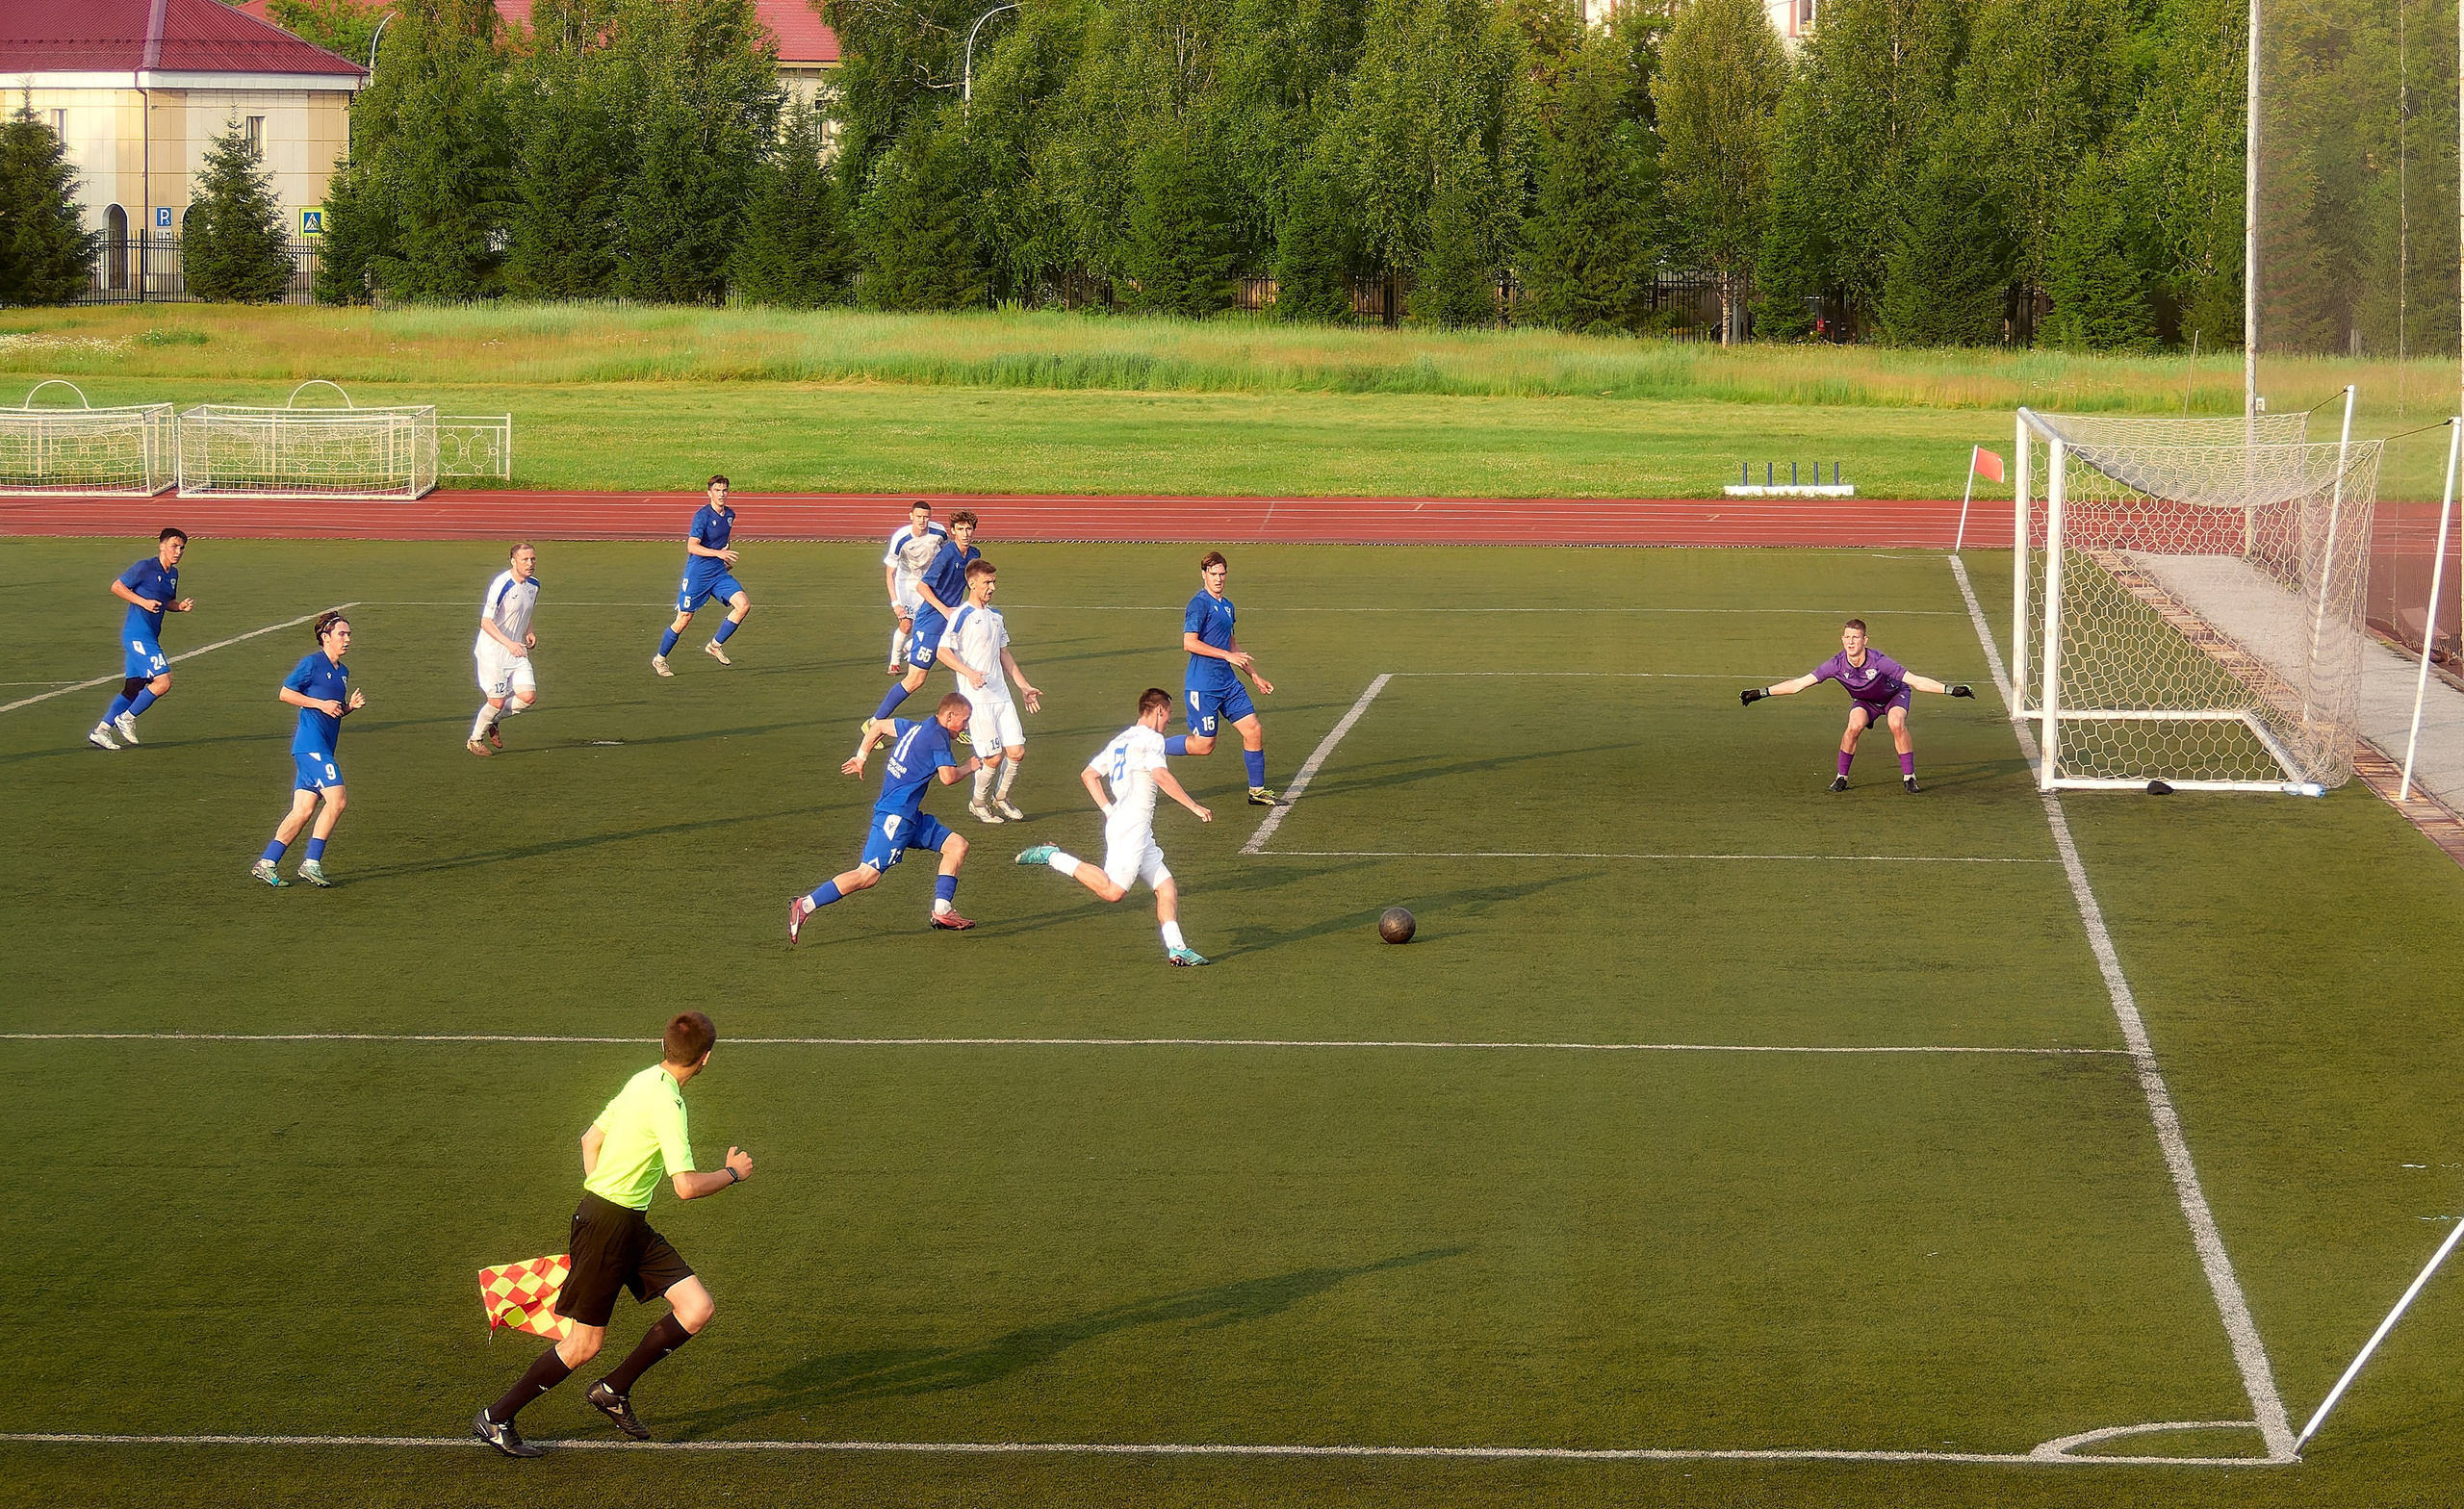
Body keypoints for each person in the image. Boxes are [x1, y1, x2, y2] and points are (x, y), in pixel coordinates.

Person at [473, 1010, 754, 1458]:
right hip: (607, 1226)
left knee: (696, 1307)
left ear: (664, 1046)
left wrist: (601, 1192)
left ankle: (612, 1390)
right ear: (706, 1057)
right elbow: (685, 1187)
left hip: (626, 1223)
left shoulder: (641, 1079)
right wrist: (732, 1173)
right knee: (583, 1344)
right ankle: (496, 1417)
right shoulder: (669, 1104)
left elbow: (590, 1139)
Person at [1015, 687, 1214, 966]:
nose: (1170, 719)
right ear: (1159, 710)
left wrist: (1109, 811)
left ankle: (1177, 948)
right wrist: (1193, 806)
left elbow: (1089, 774)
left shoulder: (1120, 740)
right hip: (1131, 825)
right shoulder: (1152, 739)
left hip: (1133, 825)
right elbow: (1160, 775)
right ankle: (1053, 856)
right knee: (1113, 891)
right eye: (1169, 713)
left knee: (1166, 886)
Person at [791, 693, 985, 942]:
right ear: (949, 716)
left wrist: (861, 757)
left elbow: (878, 726)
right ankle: (805, 905)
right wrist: (970, 767)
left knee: (957, 846)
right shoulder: (937, 738)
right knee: (867, 875)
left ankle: (942, 910)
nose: (966, 726)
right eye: (964, 720)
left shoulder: (915, 727)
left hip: (910, 817)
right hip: (895, 818)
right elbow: (947, 778)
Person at [1740, 618, 1974, 792]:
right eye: (1847, 637)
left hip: (1894, 696)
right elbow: (1798, 684)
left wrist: (1950, 690)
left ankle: (1909, 777)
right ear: (1842, 640)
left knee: (1895, 723)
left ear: (1864, 640)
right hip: (1865, 701)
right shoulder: (1836, 664)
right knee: (1853, 727)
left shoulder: (1879, 661)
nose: (1851, 642)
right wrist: (1761, 693)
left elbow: (1915, 681)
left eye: (1855, 638)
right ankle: (1841, 777)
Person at [252, 610, 365, 887]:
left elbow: (332, 711)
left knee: (302, 811)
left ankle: (267, 862)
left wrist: (348, 707)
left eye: (349, 634)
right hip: (311, 746)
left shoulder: (343, 672)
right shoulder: (312, 663)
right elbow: (285, 693)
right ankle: (312, 862)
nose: (347, 639)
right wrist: (320, 704)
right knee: (337, 800)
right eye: (342, 634)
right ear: (326, 637)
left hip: (319, 747)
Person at [937, 557, 1041, 824]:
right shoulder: (961, 616)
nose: (992, 587)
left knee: (1016, 752)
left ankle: (1001, 797)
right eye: (986, 582)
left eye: (993, 582)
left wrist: (1023, 686)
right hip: (977, 701)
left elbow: (1004, 654)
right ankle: (979, 803)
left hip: (1001, 696)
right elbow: (942, 652)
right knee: (993, 758)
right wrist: (969, 672)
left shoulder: (996, 616)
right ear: (972, 583)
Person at [1171, 550, 1275, 806]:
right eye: (1213, 574)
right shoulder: (1198, 605)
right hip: (1203, 686)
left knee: (1253, 730)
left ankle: (1257, 791)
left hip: (1228, 685)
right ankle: (1148, 746)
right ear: (1204, 575)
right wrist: (1226, 655)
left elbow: (1233, 646)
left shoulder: (1228, 606)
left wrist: (1254, 676)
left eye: (1222, 574)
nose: (1218, 579)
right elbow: (1189, 643)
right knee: (1204, 746)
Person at [864, 509, 976, 729]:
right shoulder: (946, 556)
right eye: (960, 529)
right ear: (953, 531)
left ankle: (964, 726)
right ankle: (874, 723)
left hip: (952, 621)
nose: (965, 534)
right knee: (916, 679)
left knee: (967, 670)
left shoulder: (974, 554)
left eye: (969, 529)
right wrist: (945, 610)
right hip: (932, 620)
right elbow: (922, 587)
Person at [90, 527, 194, 751]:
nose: (178, 552)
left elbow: (165, 602)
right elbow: (117, 586)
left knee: (134, 687)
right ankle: (126, 718)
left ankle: (100, 731)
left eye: (182, 548)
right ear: (162, 546)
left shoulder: (173, 574)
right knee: (163, 681)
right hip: (138, 634)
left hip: (149, 635)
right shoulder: (145, 567)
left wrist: (179, 606)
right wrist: (142, 602)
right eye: (174, 546)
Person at [653, 476, 748, 677]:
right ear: (709, 493)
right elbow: (692, 546)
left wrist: (724, 557)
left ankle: (715, 645)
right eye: (717, 490)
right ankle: (660, 660)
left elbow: (723, 540)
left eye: (724, 490)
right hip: (698, 574)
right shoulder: (702, 516)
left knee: (743, 605)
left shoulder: (730, 515)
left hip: (718, 573)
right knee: (684, 618)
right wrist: (718, 554)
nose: (721, 494)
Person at [469, 542, 542, 757]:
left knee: (528, 697)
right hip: (493, 652)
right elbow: (485, 622)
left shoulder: (534, 585)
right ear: (513, 561)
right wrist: (508, 643)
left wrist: (529, 630)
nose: (530, 563)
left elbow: (527, 611)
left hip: (516, 650)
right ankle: (475, 740)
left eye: (533, 559)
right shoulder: (501, 584)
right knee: (497, 701)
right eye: (524, 559)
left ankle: (494, 719)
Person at [883, 500, 948, 677]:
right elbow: (890, 573)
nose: (922, 520)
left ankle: (910, 646)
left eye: (926, 517)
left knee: (937, 623)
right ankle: (895, 662)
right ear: (911, 516)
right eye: (919, 516)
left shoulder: (939, 532)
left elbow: (946, 552)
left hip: (929, 582)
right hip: (907, 582)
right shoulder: (900, 538)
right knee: (906, 624)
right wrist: (895, 604)